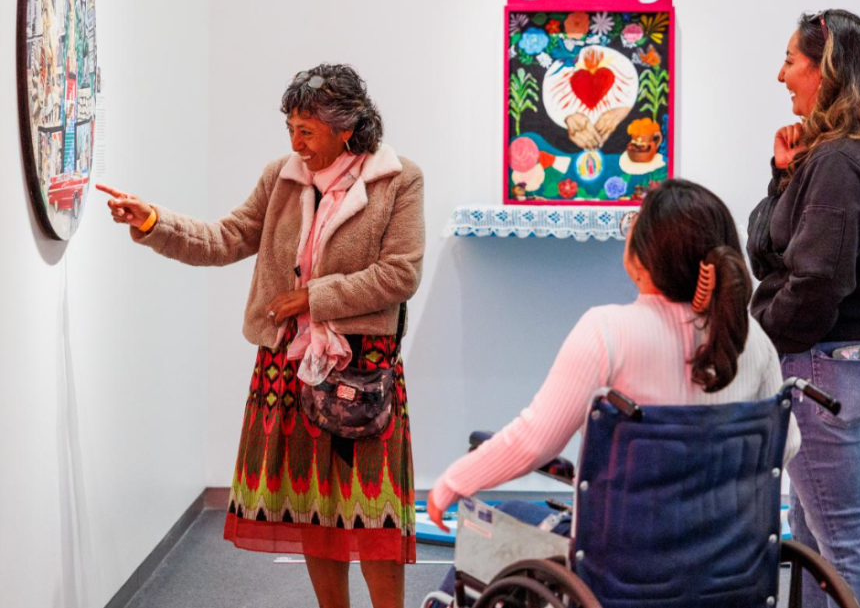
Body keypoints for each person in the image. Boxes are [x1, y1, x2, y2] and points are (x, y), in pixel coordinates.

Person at [98, 63, 425, 608]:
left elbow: (400, 274)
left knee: (375, 512)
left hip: (361, 368)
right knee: (314, 507)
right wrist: (154, 221)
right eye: (291, 128)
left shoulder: (398, 179)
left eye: (307, 130)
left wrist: (313, 297)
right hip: (287, 365)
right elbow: (225, 238)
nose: (296, 142)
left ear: (347, 128)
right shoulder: (282, 176)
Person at [428, 178, 801, 531]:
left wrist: (454, 480)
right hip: (724, 556)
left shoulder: (607, 332)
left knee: (500, 523)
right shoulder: (750, 340)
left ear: (643, 257)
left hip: (624, 557)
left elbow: (534, 441)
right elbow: (789, 444)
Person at [747, 10, 860, 608]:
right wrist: (783, 174)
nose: (780, 75)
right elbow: (775, 243)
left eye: (791, 62)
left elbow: (817, 280)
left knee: (840, 543)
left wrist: (758, 343)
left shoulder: (838, 163)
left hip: (828, 373)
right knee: (814, 531)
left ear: (824, 71)